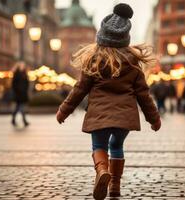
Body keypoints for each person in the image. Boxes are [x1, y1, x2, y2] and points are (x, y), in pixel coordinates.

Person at [56, 4, 161, 200]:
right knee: (117, 146)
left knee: (99, 147)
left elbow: (80, 89)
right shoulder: (133, 64)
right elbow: (143, 95)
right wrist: (154, 118)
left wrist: (64, 110)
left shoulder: (93, 60)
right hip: (124, 117)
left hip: (99, 115)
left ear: (101, 37)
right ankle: (114, 186)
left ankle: (102, 170)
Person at [11, 61, 30, 126]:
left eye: (23, 65)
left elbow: (27, 83)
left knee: (18, 108)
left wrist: (25, 90)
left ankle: (13, 119)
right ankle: (24, 121)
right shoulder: (16, 74)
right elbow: (13, 85)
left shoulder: (25, 73)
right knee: (21, 108)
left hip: (23, 94)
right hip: (18, 94)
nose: (23, 66)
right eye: (21, 65)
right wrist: (18, 91)